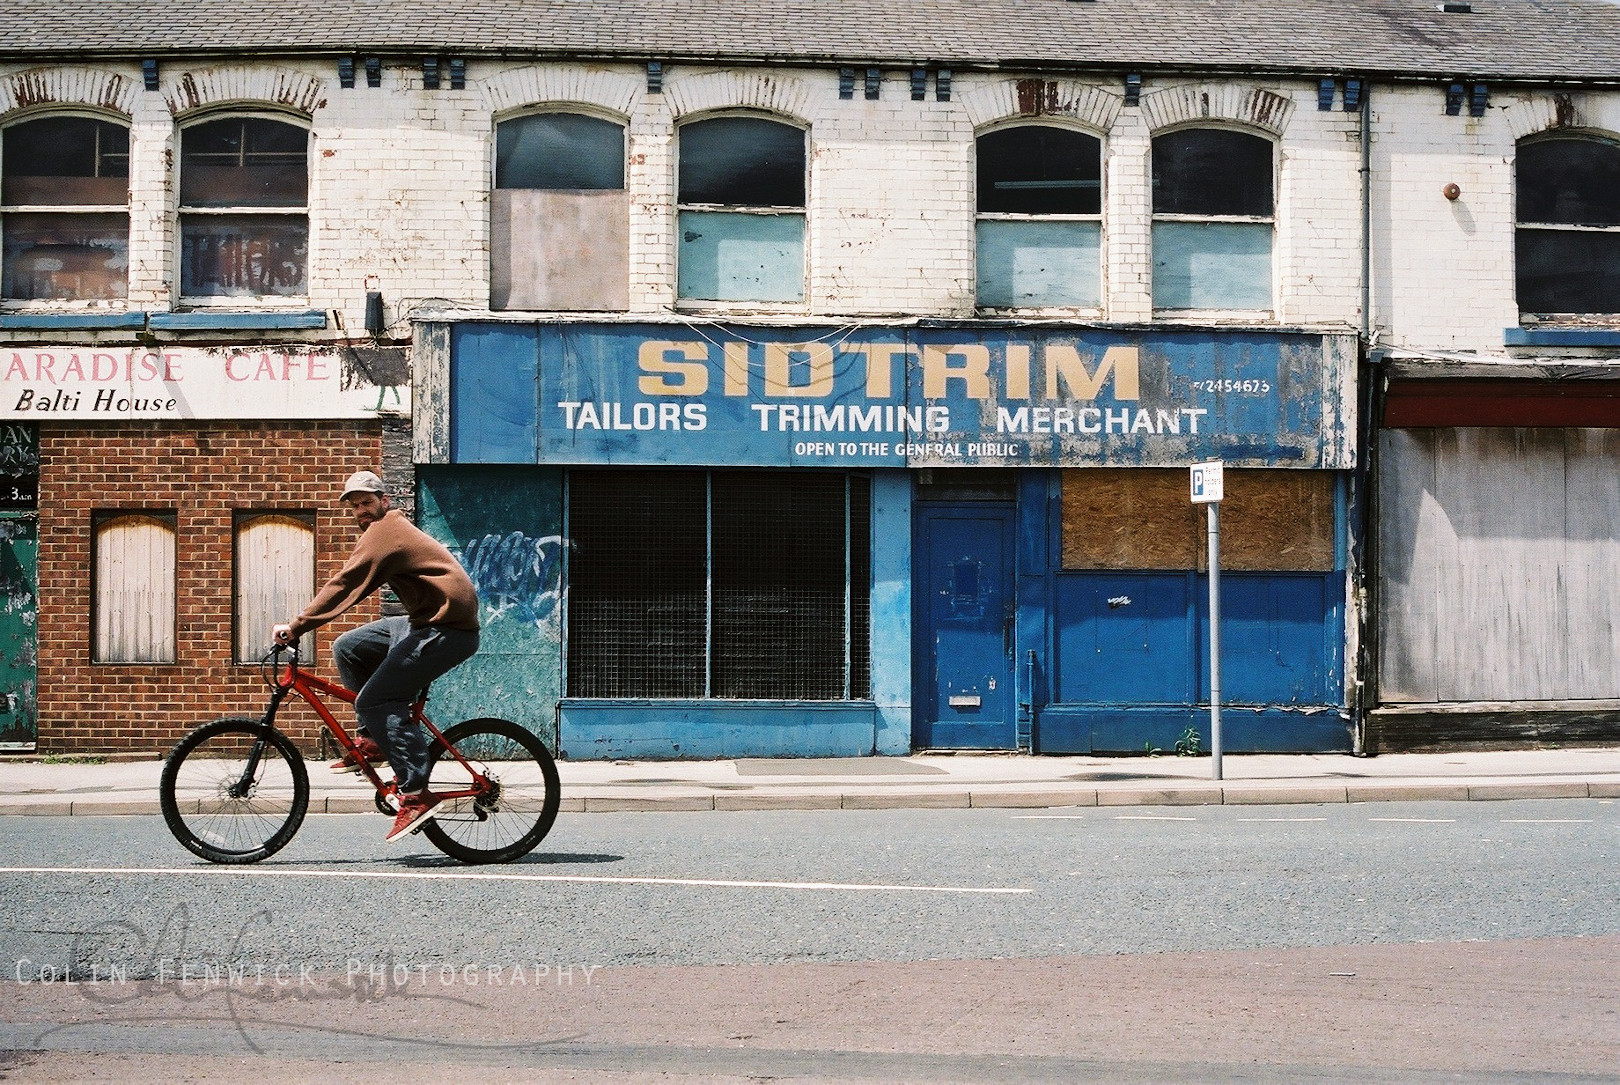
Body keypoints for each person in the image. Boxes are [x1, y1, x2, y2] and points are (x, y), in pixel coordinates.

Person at [274, 470, 481, 843]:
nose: (360, 511)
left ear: (384, 501)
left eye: (366, 502)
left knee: (377, 698)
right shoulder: (385, 530)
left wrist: (297, 626)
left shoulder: (386, 530)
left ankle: (416, 794)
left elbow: (345, 584)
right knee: (348, 647)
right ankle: (373, 739)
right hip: (423, 622)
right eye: (354, 506)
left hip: (448, 629)